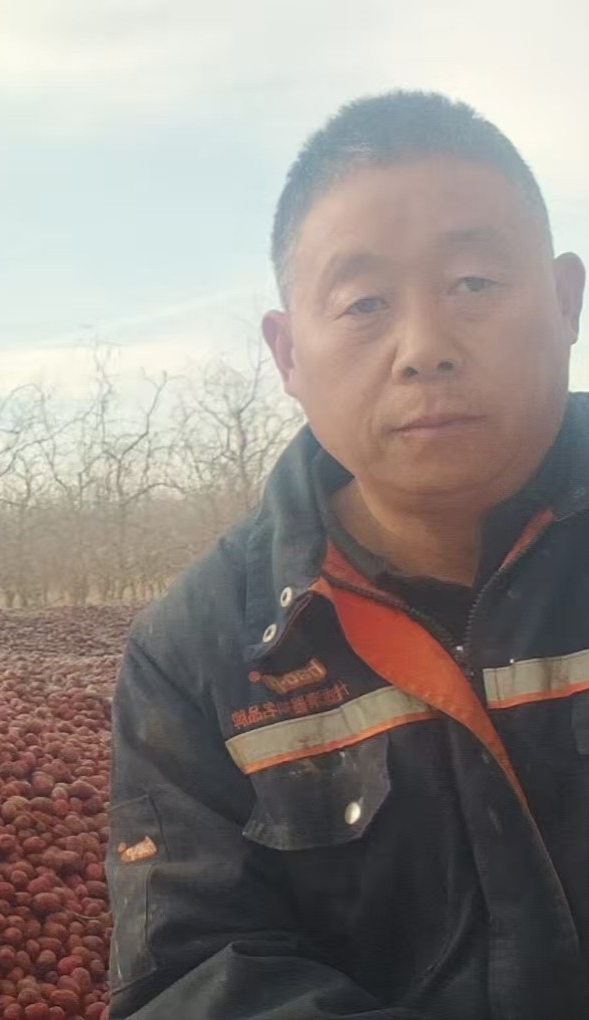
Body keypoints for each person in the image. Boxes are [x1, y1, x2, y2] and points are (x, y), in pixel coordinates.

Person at [105, 90, 589, 1020]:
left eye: (473, 284)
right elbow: (194, 976)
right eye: (364, 303)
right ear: (288, 355)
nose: (425, 349)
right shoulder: (200, 654)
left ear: (565, 301)